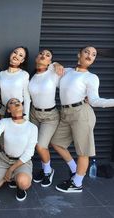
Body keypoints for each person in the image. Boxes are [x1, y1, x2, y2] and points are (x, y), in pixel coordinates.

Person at [51, 46, 114, 193]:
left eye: (93, 54)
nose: (90, 56)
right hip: (65, 112)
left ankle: (77, 183)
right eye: (87, 52)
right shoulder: (66, 71)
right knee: (56, 143)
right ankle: (74, 169)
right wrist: (56, 64)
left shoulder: (91, 77)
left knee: (83, 152)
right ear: (78, 54)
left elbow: (95, 101)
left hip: (82, 113)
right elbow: (50, 68)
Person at [0, 98, 38, 201]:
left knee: (23, 183)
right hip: (4, 160)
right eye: (12, 102)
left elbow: (29, 153)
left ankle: (18, 183)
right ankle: (7, 178)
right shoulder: (4, 122)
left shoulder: (32, 127)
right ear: (8, 110)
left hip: (22, 162)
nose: (16, 103)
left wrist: (11, 169)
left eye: (18, 101)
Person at [29, 49, 64, 187]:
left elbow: (71, 81)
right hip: (33, 113)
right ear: (36, 58)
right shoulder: (31, 75)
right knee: (33, 144)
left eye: (48, 55)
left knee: (41, 145)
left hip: (50, 116)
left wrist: (84, 97)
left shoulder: (54, 73)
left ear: (50, 61)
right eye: (41, 54)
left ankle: (48, 171)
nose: (43, 56)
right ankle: (44, 170)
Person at [0, 46, 31, 119]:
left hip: (18, 112)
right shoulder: (1, 74)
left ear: (22, 60)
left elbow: (27, 97)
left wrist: (26, 117)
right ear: (11, 54)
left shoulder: (24, 74)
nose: (16, 56)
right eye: (15, 52)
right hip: (4, 111)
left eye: (20, 55)